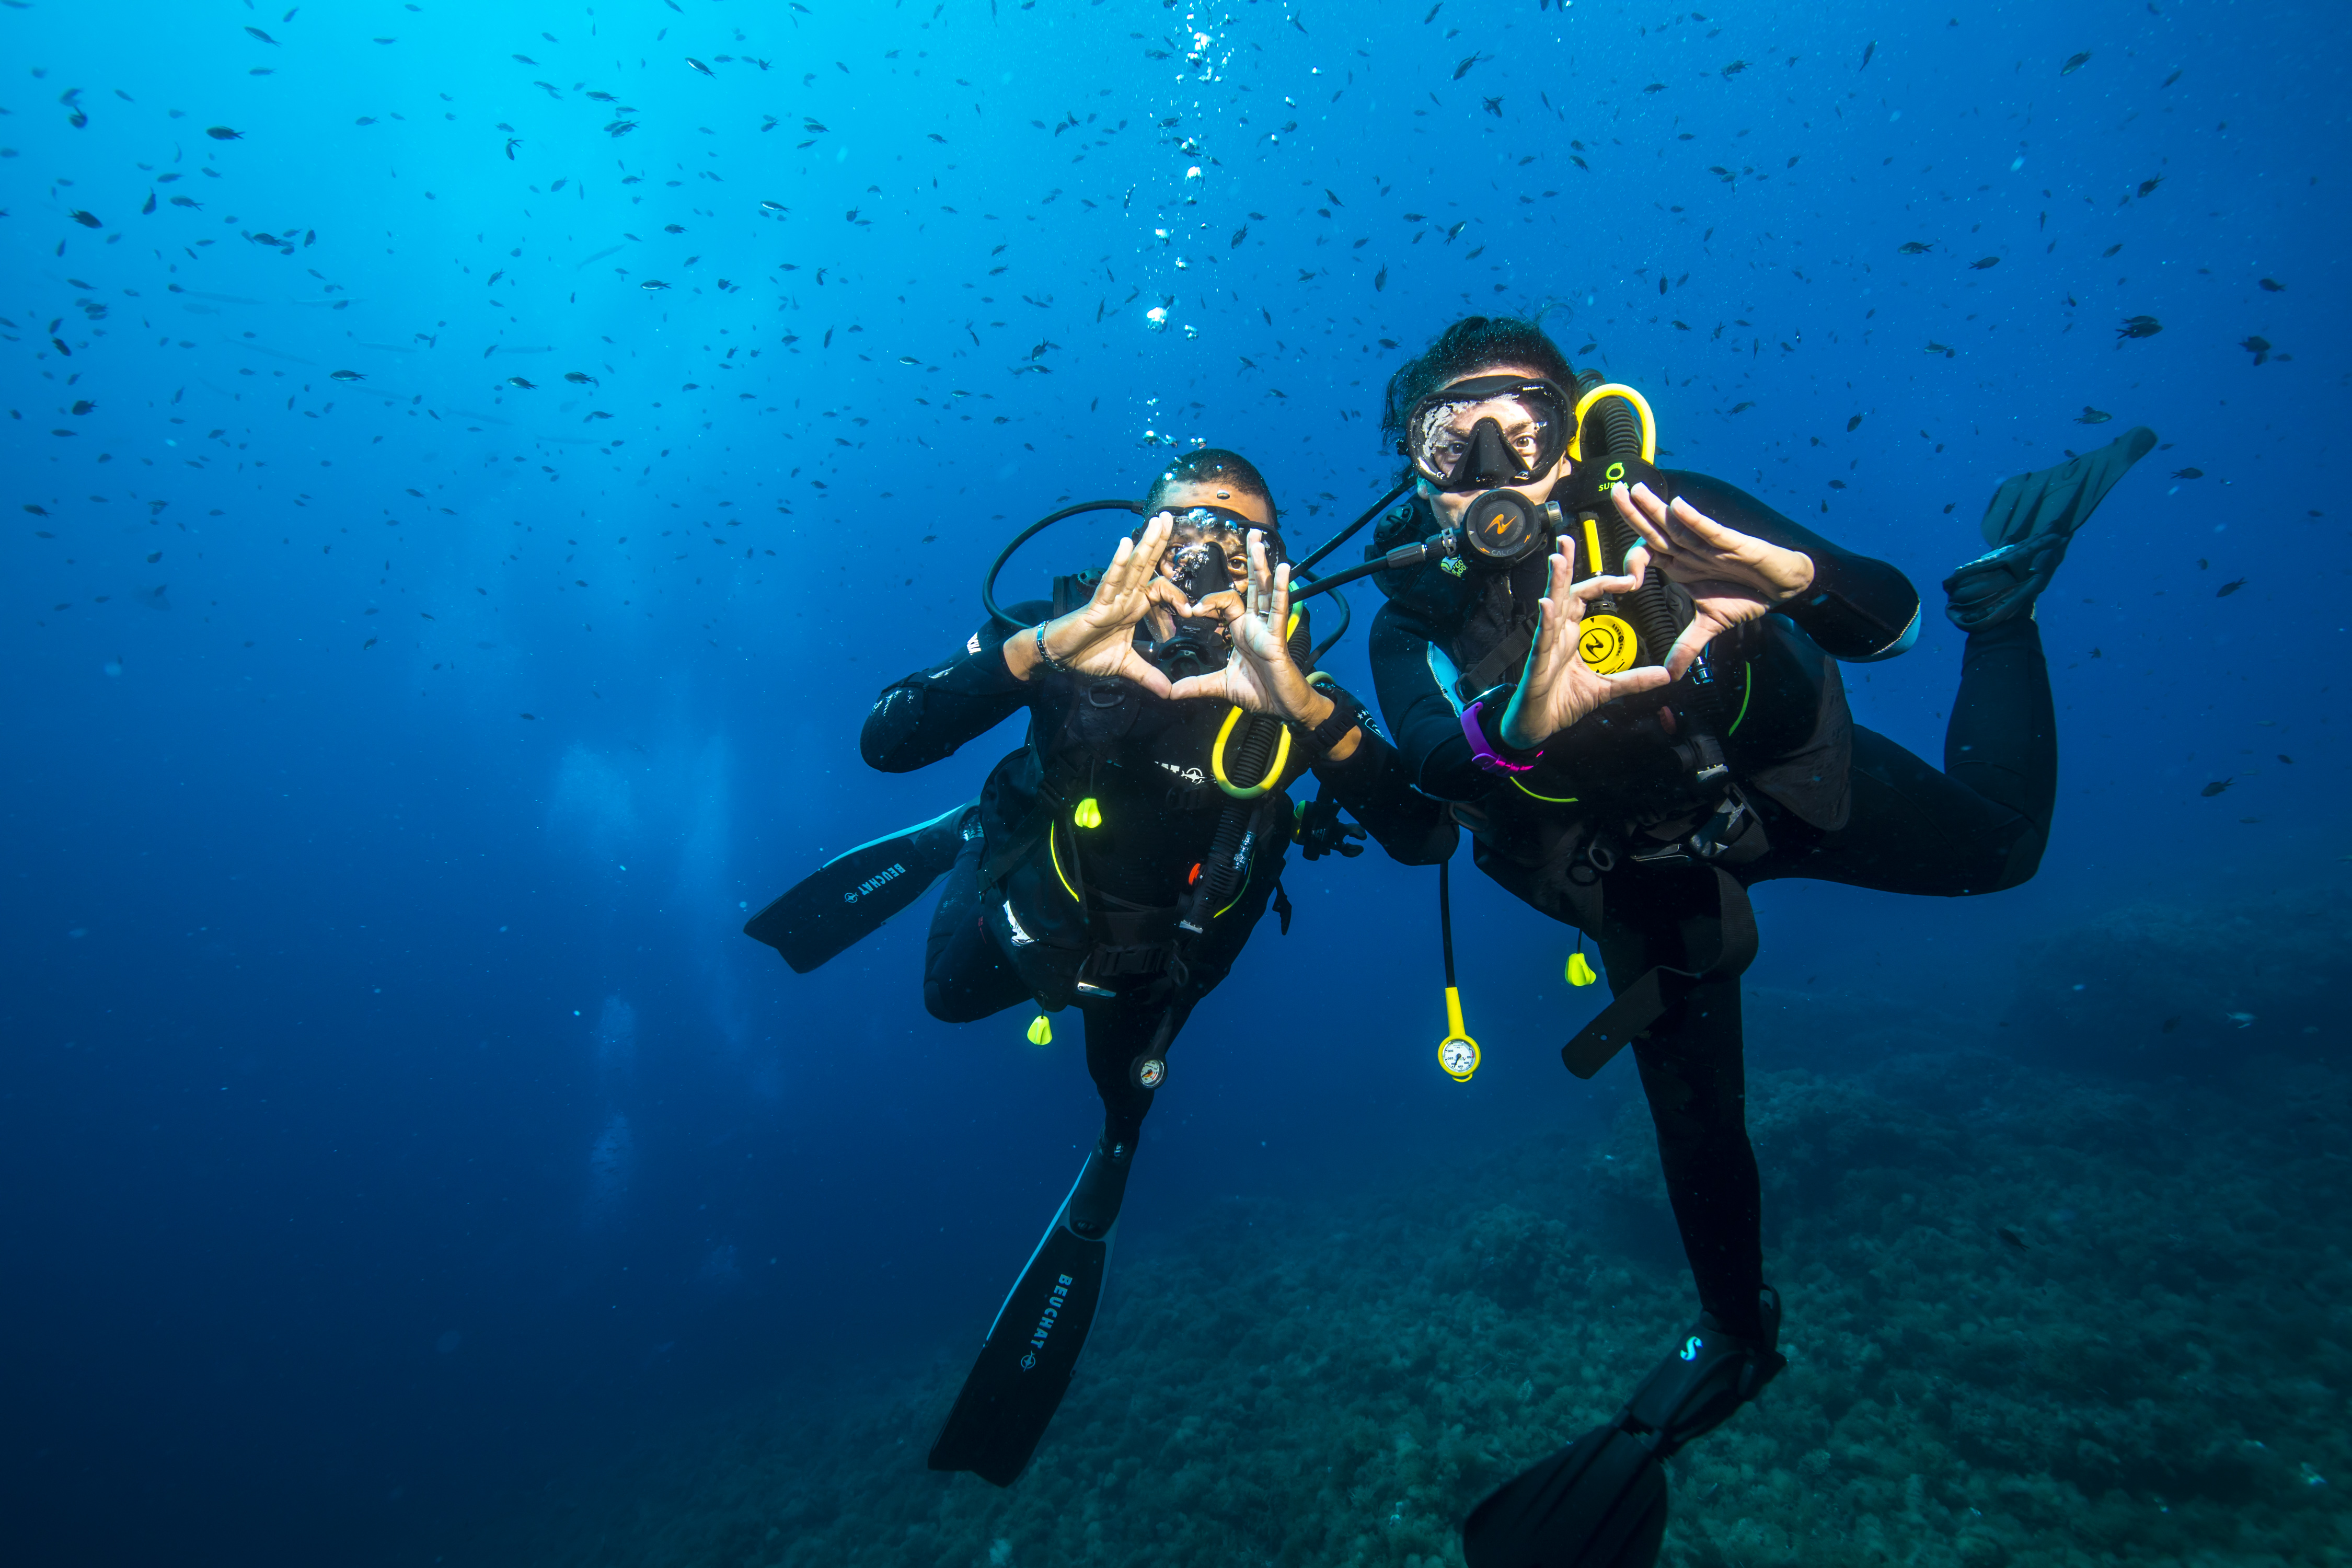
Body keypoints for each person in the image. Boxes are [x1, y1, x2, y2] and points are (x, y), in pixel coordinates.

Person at [1358, 316, 2155, 1566]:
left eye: (1520, 424)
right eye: (1452, 438)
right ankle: (1735, 1334)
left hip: (1784, 789)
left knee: (2005, 853)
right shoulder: (1411, 610)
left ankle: (2005, 605)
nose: (1492, 466)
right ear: (1414, 467)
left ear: (1575, 435)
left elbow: (1881, 617)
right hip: (1640, 870)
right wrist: (1517, 726)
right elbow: (1427, 754)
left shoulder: (1670, 505)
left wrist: (1797, 588)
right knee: (1695, 1122)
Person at [786, 447, 1451, 1486]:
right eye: (1190, 535)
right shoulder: (1065, 636)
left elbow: (1426, 839)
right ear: (1140, 546)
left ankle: (1109, 1169)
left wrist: (1309, 716)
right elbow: (887, 738)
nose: (1213, 562)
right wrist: (1046, 649)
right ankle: (967, 831)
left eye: (1247, 544)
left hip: (1172, 951)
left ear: (1278, 568)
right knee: (949, 998)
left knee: (1124, 1104)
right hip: (1042, 888)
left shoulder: (1295, 682)